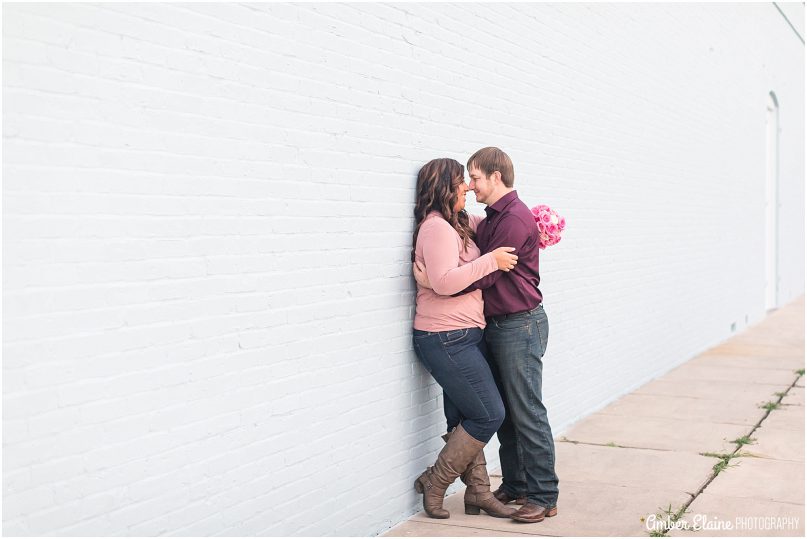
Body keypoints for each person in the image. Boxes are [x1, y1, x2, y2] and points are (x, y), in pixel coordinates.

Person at [414, 147, 559, 524]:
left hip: (518, 323)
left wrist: (438, 284)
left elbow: (490, 275)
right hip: (484, 328)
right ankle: (511, 485)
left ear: (496, 177)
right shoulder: (486, 218)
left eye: (474, 177)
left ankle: (542, 494)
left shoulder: (510, 218)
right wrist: (441, 282)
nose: (469, 184)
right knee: (503, 413)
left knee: (524, 411)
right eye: (464, 180)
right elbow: (469, 256)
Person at [410, 157, 520, 520]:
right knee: (489, 413)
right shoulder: (436, 228)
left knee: (464, 417)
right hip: (444, 337)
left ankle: (478, 493)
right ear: (445, 186)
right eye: (462, 181)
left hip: (463, 335)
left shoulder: (459, 223)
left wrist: (531, 221)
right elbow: (445, 281)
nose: (468, 187)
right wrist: (491, 261)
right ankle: (435, 482)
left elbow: (496, 224)